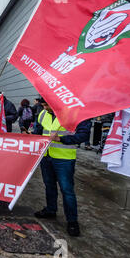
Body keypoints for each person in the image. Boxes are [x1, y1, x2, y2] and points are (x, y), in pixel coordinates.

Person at [33, 97, 91, 237]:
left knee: (67, 190)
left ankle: (72, 221)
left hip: (64, 159)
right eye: (43, 104)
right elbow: (38, 131)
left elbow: (83, 134)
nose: (44, 107)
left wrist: (62, 139)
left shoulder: (74, 113)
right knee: (49, 185)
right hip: (46, 157)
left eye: (47, 104)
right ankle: (50, 210)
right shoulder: (42, 114)